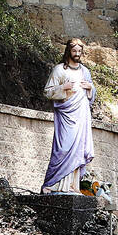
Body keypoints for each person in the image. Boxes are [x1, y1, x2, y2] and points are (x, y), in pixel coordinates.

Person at [41, 39, 96, 194]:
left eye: (79, 51)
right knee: (63, 149)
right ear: (68, 52)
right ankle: (53, 184)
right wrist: (62, 88)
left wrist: (91, 88)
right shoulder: (59, 70)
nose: (77, 54)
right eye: (74, 51)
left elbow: (91, 95)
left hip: (81, 116)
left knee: (79, 149)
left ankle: (73, 186)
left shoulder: (85, 72)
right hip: (66, 116)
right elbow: (47, 92)